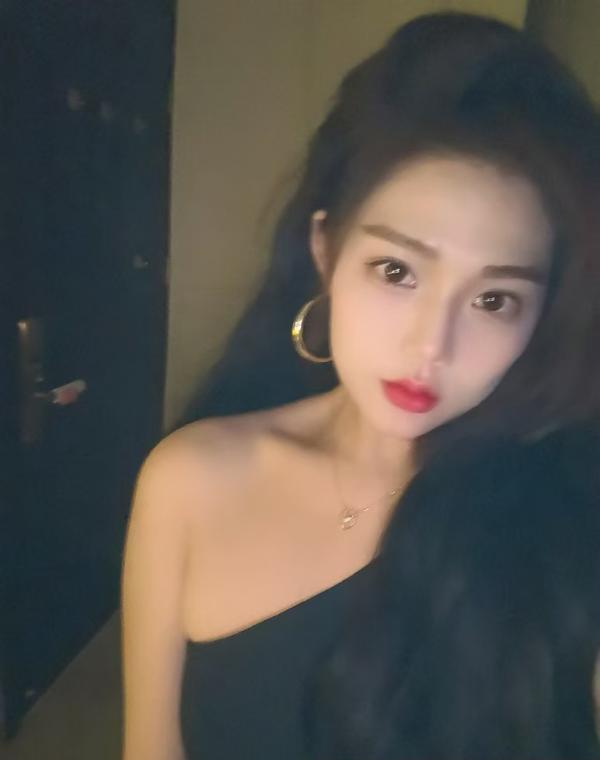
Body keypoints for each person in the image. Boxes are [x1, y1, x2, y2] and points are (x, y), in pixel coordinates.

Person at [121, 11, 600, 760]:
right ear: (325, 251)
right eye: (397, 271)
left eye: (493, 299)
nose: (430, 346)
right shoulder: (189, 482)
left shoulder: (568, 512)